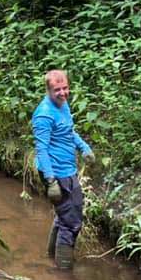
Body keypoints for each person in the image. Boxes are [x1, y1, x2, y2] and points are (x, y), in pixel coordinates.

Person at [32, 69, 95, 269]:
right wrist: (50, 181)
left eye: (65, 88)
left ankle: (52, 256)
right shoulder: (44, 115)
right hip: (56, 173)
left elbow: (68, 131)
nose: (63, 93)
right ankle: (64, 271)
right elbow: (41, 149)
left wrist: (84, 147)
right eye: (57, 89)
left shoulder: (63, 105)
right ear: (48, 90)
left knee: (65, 215)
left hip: (68, 170)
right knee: (71, 222)